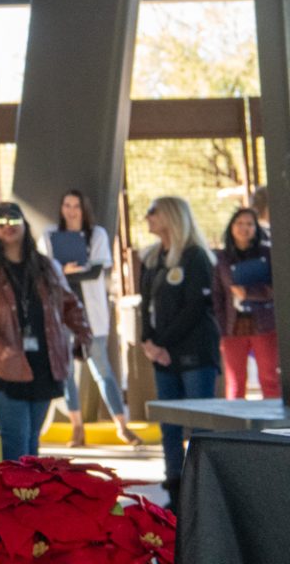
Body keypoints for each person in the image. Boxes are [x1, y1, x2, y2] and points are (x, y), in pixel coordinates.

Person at [0, 202, 90, 462]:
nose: (7, 227)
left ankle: (31, 499)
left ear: (24, 224)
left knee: (31, 439)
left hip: (44, 362)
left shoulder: (46, 266)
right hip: (1, 366)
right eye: (0, 222)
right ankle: (16, 498)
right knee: (15, 438)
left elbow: (70, 304)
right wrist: (1, 348)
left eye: (13, 220)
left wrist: (82, 337)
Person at [139, 195, 220, 507]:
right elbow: (145, 307)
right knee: (169, 424)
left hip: (194, 353)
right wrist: (148, 342)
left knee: (199, 424)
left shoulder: (195, 256)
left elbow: (194, 308)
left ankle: (201, 494)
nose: (147, 218)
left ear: (171, 216)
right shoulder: (152, 258)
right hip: (162, 356)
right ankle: (175, 488)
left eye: (153, 213)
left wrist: (163, 344)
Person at [41, 189, 137, 444]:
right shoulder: (50, 235)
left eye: (76, 206)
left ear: (84, 210)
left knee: (101, 369)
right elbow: (46, 271)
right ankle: (77, 427)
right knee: (67, 372)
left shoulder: (97, 234)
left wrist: (64, 271)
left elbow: (95, 270)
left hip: (90, 314)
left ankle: (121, 424)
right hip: (61, 314)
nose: (71, 211)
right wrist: (65, 270)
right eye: (67, 205)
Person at [212, 205, 278, 399]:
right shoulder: (221, 258)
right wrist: (220, 327)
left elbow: (276, 288)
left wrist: (249, 293)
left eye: (250, 224)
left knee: (269, 378)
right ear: (231, 227)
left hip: (264, 324)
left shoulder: (267, 254)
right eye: (240, 223)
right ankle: (235, 427)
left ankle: (277, 426)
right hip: (233, 327)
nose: (244, 228)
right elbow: (217, 294)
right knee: (235, 382)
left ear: (256, 229)